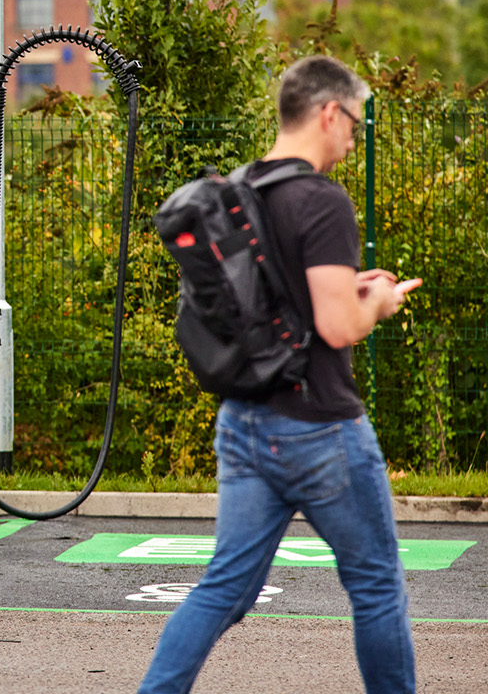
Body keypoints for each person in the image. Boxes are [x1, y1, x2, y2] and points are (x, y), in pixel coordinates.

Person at [138, 55, 423, 694]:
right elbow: (338, 328)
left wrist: (346, 286)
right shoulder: (321, 200)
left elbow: (276, 293)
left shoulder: (239, 192)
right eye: (353, 122)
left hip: (243, 423)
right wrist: (377, 300)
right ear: (328, 113)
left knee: (223, 590)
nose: (353, 137)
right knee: (376, 585)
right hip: (321, 429)